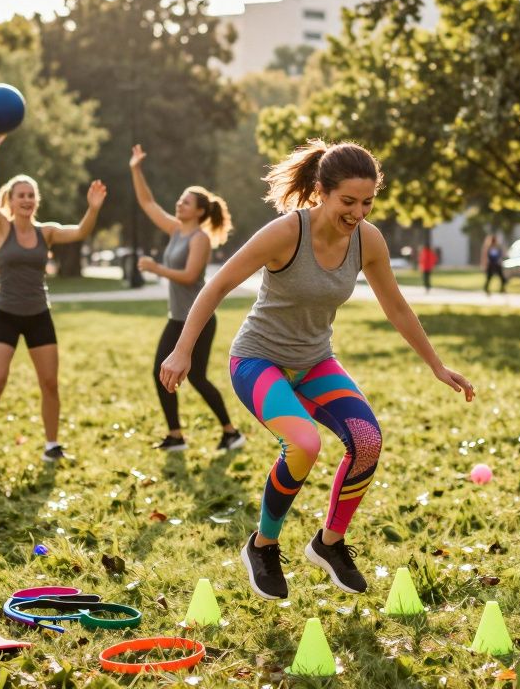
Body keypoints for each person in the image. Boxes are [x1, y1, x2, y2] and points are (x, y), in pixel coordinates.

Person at [159, 139, 476, 600]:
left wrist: (437, 365)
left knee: (367, 441)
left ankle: (329, 544)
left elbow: (397, 306)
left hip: (313, 362)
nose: (358, 212)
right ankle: (263, 546)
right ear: (322, 192)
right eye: (348, 201)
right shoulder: (287, 233)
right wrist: (182, 350)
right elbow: (217, 286)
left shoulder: (368, 240)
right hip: (258, 359)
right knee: (304, 443)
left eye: (367, 202)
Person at [0, 126, 106, 471]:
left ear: (36, 201)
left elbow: (80, 232)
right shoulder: (2, 228)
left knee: (49, 383)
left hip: (38, 314)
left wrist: (92, 209)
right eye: (21, 195)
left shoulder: (46, 232)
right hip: (5, 313)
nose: (27, 200)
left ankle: (51, 445)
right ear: (11, 201)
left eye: (31, 195)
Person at [129, 144, 245, 452]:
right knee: (162, 372)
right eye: (180, 200)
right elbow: (147, 202)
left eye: (186, 201)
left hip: (199, 319)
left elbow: (191, 277)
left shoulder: (200, 239)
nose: (179, 204)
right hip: (177, 318)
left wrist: (157, 268)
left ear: (200, 211)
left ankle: (230, 431)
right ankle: (177, 435)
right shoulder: (176, 230)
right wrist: (135, 169)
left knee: (196, 378)